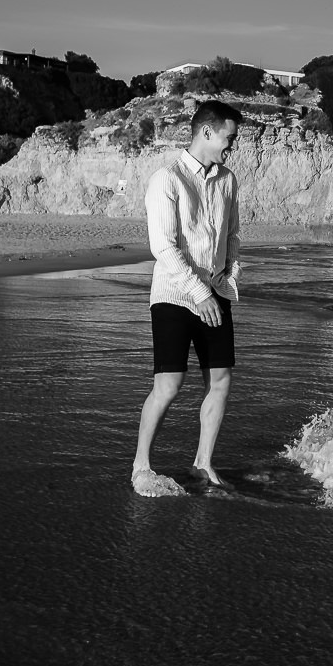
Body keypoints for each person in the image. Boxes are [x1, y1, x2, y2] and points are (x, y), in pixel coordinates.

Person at [131, 100, 243, 497]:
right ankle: (141, 466)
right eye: (229, 137)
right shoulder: (167, 179)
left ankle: (202, 464)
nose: (232, 145)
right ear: (207, 132)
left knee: (221, 380)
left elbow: (232, 235)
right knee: (169, 384)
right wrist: (198, 292)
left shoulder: (228, 180)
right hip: (174, 295)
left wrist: (229, 277)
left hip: (215, 294)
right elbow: (162, 246)